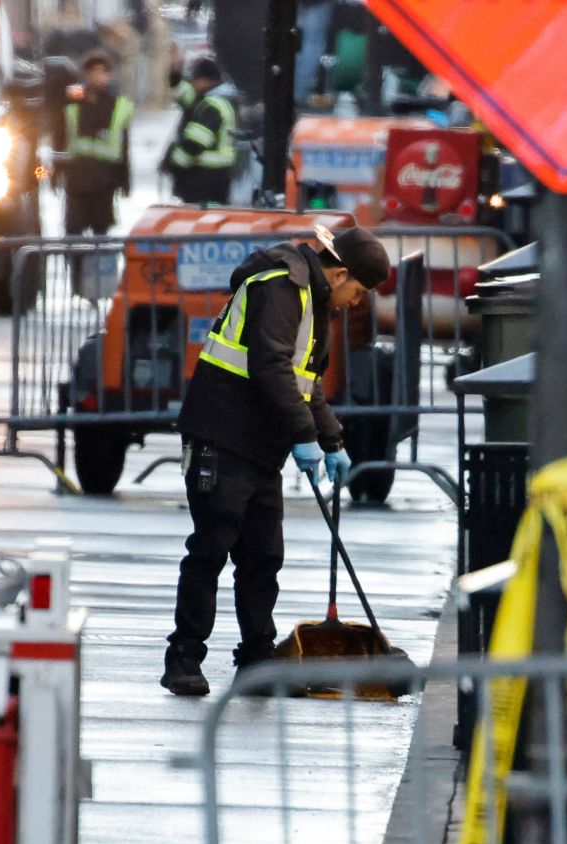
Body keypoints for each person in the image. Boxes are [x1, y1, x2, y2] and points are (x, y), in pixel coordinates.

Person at [161, 225, 392, 696]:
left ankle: (258, 662)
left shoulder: (315, 304)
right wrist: (305, 437)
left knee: (263, 557)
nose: (357, 303)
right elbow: (270, 365)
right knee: (212, 546)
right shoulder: (280, 287)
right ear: (341, 272)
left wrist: (332, 440)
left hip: (261, 448)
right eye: (359, 292)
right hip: (220, 434)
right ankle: (183, 658)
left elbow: (306, 383)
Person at [55, 51, 133, 236]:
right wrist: (51, 174)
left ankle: (98, 265)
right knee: (73, 229)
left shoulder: (120, 106)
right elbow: (58, 141)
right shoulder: (73, 104)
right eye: (93, 72)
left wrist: (126, 181)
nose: (98, 77)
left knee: (101, 230)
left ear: (109, 75)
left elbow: (124, 147)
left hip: (105, 180)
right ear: (86, 75)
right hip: (77, 179)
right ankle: (75, 265)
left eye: (103, 72)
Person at [161, 56, 237, 205]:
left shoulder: (211, 106)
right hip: (216, 178)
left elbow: (195, 143)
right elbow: (181, 92)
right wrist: (174, 73)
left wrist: (173, 163)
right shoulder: (218, 98)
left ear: (204, 80)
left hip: (204, 180)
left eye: (194, 80)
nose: (192, 84)